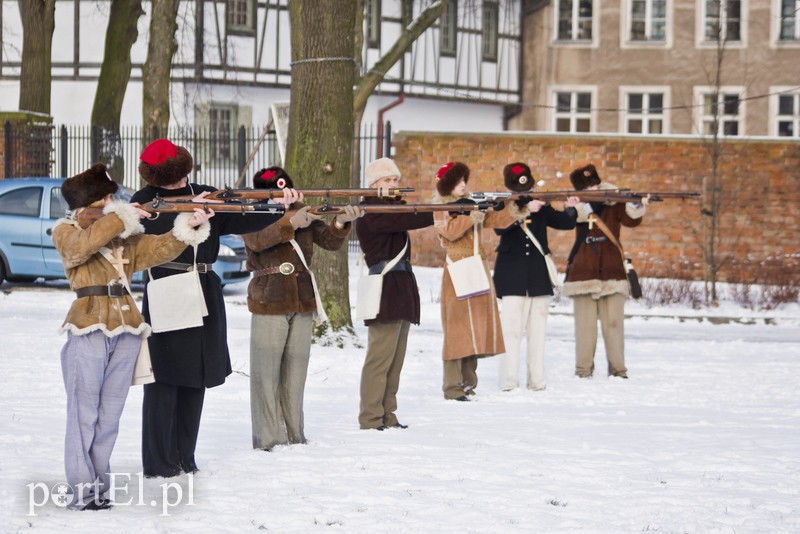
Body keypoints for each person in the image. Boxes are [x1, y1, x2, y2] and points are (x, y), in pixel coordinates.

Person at [130, 139, 299, 477]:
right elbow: (145, 237)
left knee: (195, 378)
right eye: (170, 182)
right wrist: (185, 216)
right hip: (166, 289)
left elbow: (245, 219)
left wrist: (280, 205)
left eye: (181, 179)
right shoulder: (143, 202)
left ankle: (185, 457)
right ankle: (160, 463)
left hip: (204, 290)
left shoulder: (205, 193)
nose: (179, 185)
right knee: (164, 381)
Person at [52, 163, 213, 509]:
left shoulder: (121, 232)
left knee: (109, 417)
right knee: (84, 415)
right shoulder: (66, 230)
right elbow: (80, 248)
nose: (114, 202)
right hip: (88, 327)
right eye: (108, 197)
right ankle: (83, 491)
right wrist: (121, 216)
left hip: (126, 329)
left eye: (113, 197)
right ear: (90, 202)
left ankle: (100, 487)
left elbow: (156, 250)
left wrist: (187, 226)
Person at [243, 167, 362, 450]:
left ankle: (294, 434)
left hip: (302, 297)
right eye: (276, 191)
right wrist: (290, 223)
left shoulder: (303, 212)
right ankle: (269, 437)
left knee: (296, 372)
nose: (284, 196)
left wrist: (341, 222)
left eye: (286, 190)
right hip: (269, 297)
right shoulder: (251, 212)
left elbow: (330, 242)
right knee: (266, 374)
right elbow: (256, 241)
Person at [432, 161, 524, 401]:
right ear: (447, 185)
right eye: (457, 181)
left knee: (476, 327)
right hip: (457, 269)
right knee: (457, 329)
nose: (463, 185)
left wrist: (514, 206)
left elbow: (497, 221)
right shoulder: (440, 207)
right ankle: (452, 387)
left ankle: (468, 384)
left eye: (464, 180)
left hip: (478, 267)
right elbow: (450, 231)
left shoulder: (472, 205)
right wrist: (472, 216)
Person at [356, 157, 434, 430]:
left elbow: (403, 216)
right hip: (384, 288)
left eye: (395, 180)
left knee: (396, 360)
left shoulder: (394, 210)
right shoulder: (371, 210)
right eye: (387, 180)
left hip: (400, 287)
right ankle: (370, 417)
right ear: (374, 184)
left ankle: (388, 414)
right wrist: (439, 210)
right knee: (380, 359)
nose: (394, 184)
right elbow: (400, 219)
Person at [494, 163, 579, 391]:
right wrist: (524, 209)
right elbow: (499, 228)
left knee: (538, 333)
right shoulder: (503, 204)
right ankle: (509, 381)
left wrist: (570, 208)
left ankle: (537, 380)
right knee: (511, 332)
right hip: (512, 276)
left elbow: (565, 223)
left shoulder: (541, 205)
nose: (525, 190)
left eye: (527, 185)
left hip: (537, 276)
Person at [562, 163, 647, 379]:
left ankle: (618, 370)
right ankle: (583, 370)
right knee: (585, 328)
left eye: (594, 185)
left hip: (612, 270)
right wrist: (570, 207)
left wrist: (635, 203)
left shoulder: (614, 202)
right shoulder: (578, 207)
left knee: (614, 325)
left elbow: (631, 220)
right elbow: (567, 221)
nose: (592, 190)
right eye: (586, 188)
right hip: (583, 271)